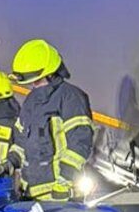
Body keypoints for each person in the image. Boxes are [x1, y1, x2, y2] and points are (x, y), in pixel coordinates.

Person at [8, 39, 94, 202]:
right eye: (30, 82)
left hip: (61, 196)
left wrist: (65, 180)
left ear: (50, 74)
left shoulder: (70, 97)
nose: (33, 85)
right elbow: (21, 142)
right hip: (30, 193)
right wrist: (10, 162)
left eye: (37, 80)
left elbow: (80, 142)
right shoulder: (31, 101)